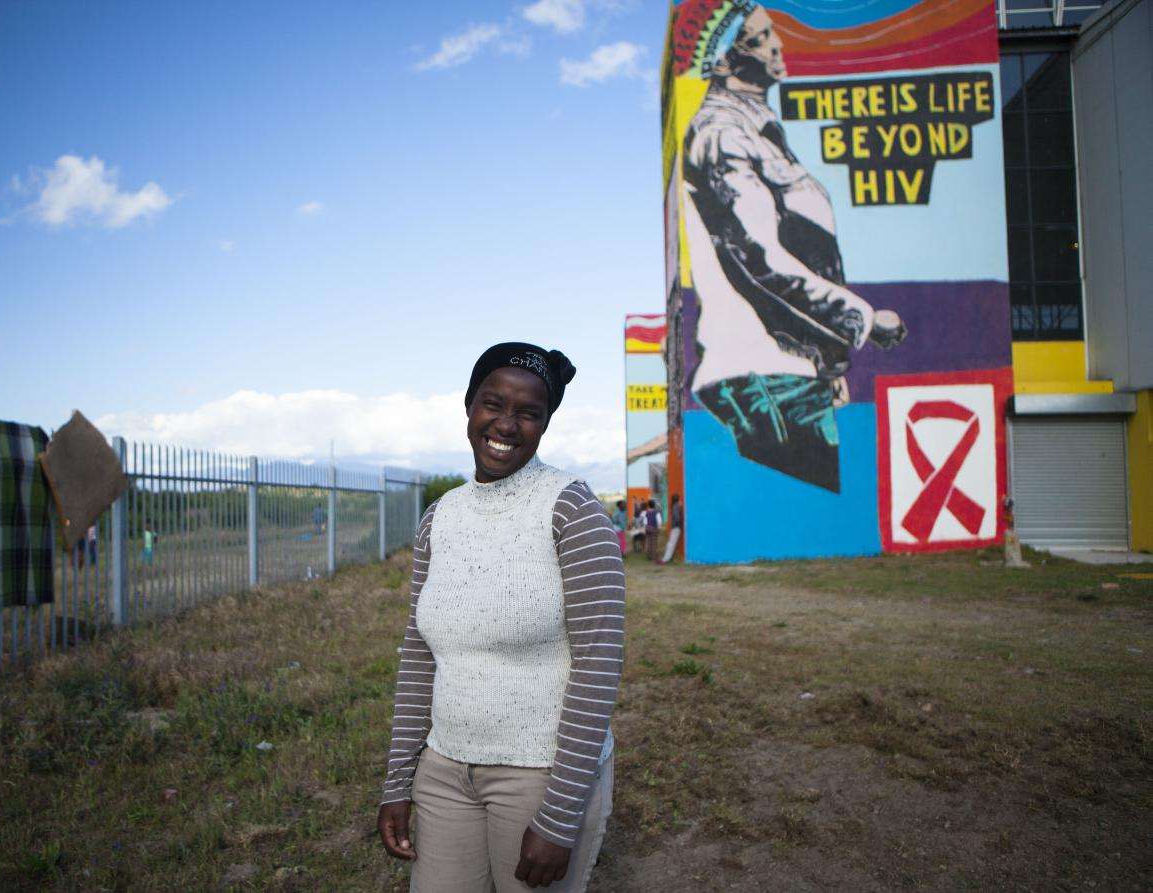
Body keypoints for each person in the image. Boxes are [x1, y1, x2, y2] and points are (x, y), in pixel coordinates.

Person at [378, 343, 625, 892]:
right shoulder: (439, 518)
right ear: (468, 405)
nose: (506, 424)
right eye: (493, 403)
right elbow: (419, 657)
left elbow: (598, 664)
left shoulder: (571, 508)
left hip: (539, 777)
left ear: (544, 424)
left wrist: (559, 816)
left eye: (528, 412)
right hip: (443, 774)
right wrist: (398, 782)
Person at [675, 0, 906, 492]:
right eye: (758, 40)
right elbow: (760, 258)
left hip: (786, 372)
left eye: (771, 32)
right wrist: (860, 319)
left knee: (816, 523)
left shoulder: (755, 129)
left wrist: (827, 360)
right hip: (764, 377)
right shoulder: (723, 134)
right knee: (813, 515)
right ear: (723, 64)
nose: (778, 45)